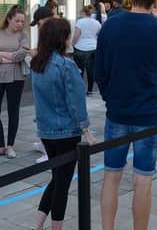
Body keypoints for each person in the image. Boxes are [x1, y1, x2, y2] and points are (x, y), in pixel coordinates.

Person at [95, 0, 157, 230]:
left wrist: (110, 97)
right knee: (143, 179)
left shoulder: (110, 25)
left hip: (117, 111)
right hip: (149, 113)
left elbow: (100, 71)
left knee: (111, 176)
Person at [31, 18, 96, 230]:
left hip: (46, 130)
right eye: (68, 34)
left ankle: (37, 225)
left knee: (56, 178)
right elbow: (76, 101)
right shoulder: (66, 65)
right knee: (62, 183)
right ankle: (56, 227)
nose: (70, 38)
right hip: (66, 131)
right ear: (62, 38)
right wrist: (86, 129)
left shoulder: (37, 64)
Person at [0, 5, 28, 159]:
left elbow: (21, 55)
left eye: (22, 21)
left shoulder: (24, 35)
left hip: (15, 77)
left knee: (13, 111)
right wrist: (7, 58)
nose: (20, 24)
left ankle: (10, 145)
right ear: (9, 19)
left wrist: (2, 54)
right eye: (17, 21)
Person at [29, 5, 55, 163]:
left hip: (46, 73)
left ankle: (48, 149)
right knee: (41, 109)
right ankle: (43, 143)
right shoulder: (48, 32)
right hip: (42, 69)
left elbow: (52, 53)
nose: (38, 27)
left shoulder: (53, 32)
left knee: (46, 110)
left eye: (39, 23)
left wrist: (37, 54)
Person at [73, 4, 102, 94]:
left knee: (79, 70)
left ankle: (80, 88)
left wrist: (72, 44)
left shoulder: (80, 22)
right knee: (91, 70)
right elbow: (99, 34)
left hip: (80, 48)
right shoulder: (97, 23)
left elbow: (76, 35)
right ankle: (90, 89)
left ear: (83, 12)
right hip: (93, 48)